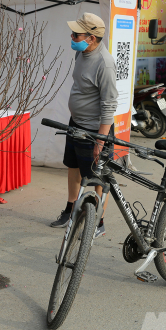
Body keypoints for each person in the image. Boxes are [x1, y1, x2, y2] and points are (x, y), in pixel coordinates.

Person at [49, 12, 118, 238]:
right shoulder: (81, 55)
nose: (72, 36)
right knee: (73, 166)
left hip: (95, 131)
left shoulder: (104, 64)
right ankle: (70, 210)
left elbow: (109, 105)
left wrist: (101, 139)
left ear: (91, 38)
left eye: (76, 34)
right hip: (76, 124)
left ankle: (98, 221)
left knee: (98, 176)